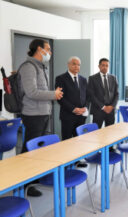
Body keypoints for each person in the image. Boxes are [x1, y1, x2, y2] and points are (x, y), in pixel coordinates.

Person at [19, 39, 63, 197]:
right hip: (33, 115)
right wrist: (53, 94)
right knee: (29, 150)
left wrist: (53, 93)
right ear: (39, 49)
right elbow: (32, 92)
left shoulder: (40, 67)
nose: (50, 52)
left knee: (37, 150)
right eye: (48, 49)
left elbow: (39, 90)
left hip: (43, 113)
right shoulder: (29, 67)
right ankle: (24, 184)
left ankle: (33, 179)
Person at [55, 56, 88, 168]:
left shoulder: (83, 79)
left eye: (78, 64)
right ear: (68, 65)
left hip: (81, 116)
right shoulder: (61, 78)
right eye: (74, 64)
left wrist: (85, 108)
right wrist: (74, 109)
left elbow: (86, 96)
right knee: (67, 141)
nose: (76, 66)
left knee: (78, 140)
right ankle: (66, 163)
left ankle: (77, 160)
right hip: (68, 115)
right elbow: (60, 98)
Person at [87, 58, 119, 129]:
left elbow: (116, 94)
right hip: (98, 110)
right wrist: (103, 107)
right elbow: (92, 95)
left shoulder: (113, 78)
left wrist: (112, 106)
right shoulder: (92, 78)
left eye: (107, 65)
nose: (105, 67)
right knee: (96, 133)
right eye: (103, 65)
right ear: (99, 66)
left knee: (110, 133)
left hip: (110, 111)